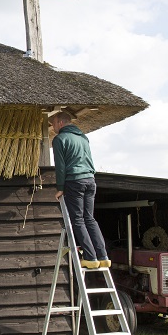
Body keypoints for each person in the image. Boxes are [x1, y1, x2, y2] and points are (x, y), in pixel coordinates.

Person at [49, 111, 110, 269]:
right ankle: (103, 256)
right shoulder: (83, 138)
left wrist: (60, 188)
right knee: (89, 218)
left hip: (74, 181)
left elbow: (60, 167)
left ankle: (90, 257)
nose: (53, 127)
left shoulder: (60, 139)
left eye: (54, 124)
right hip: (90, 180)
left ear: (60, 123)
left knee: (77, 219)